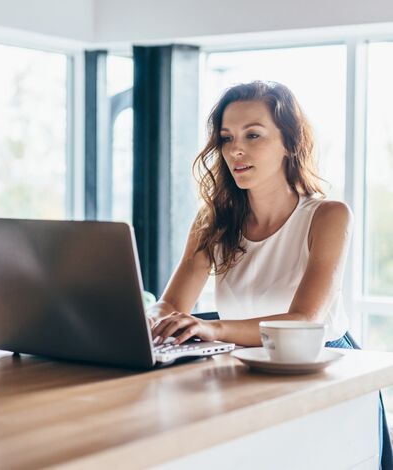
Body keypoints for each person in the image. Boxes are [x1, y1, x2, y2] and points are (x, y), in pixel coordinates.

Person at [147, 81, 392, 469]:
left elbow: (304, 321)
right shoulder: (212, 221)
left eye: (253, 135)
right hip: (247, 371)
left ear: (289, 142)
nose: (235, 150)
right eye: (226, 138)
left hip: (325, 370)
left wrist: (214, 329)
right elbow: (172, 303)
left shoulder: (328, 215)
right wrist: (149, 319)